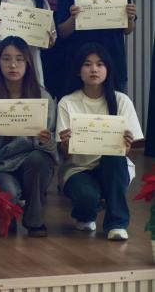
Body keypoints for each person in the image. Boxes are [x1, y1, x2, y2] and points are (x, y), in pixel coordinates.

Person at [58, 43, 142, 240]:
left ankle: (117, 224)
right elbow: (65, 155)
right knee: (87, 197)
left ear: (108, 69)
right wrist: (65, 144)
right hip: (79, 168)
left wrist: (126, 146)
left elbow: (126, 150)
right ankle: (85, 214)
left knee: (114, 158)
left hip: (113, 168)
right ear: (78, 71)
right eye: (87, 64)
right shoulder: (67, 102)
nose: (94, 69)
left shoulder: (121, 101)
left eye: (100, 64)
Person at [0, 36, 57, 237]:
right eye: (6, 59)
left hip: (30, 162)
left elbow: (54, 147)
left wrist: (46, 141)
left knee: (40, 159)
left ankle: (34, 219)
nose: (13, 65)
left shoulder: (43, 97)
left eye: (19, 59)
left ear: (29, 62)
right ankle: (5, 216)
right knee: (9, 192)